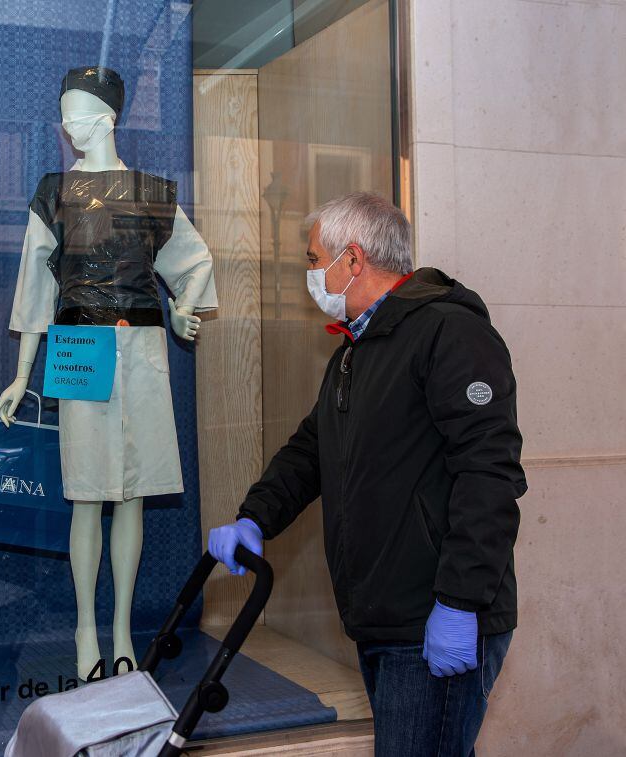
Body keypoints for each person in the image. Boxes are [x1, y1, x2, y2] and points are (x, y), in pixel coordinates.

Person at [208, 192, 525, 756]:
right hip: (383, 618)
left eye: (312, 259)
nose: (310, 274)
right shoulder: (357, 349)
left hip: (433, 614)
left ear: (352, 260)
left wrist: (460, 602)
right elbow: (311, 451)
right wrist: (256, 517)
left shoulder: (449, 333)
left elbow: (489, 473)